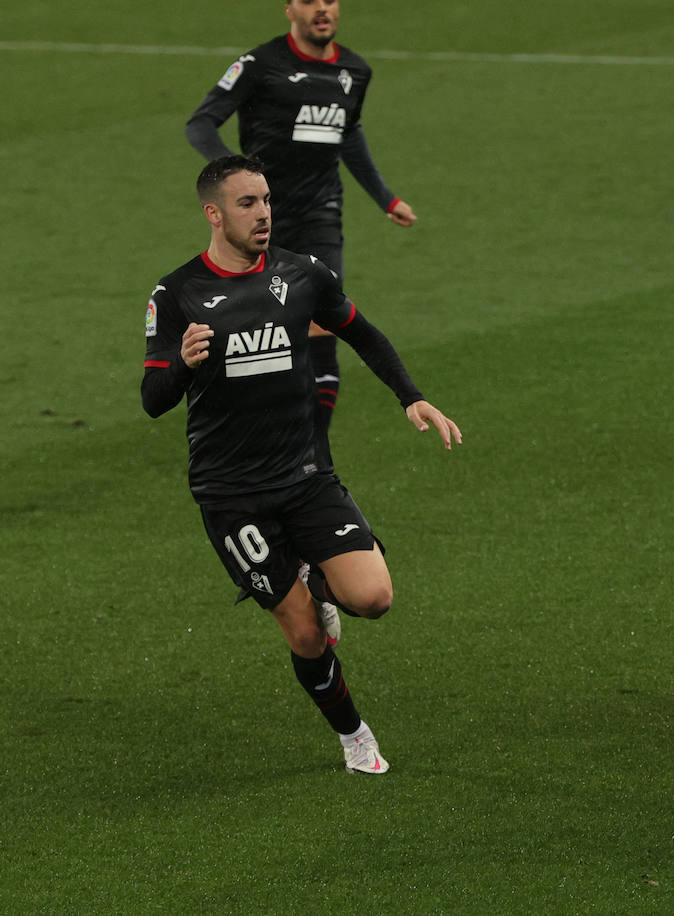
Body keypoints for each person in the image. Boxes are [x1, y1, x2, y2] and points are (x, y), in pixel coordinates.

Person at [141, 155, 459, 775]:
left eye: (265, 200)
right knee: (309, 636)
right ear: (213, 213)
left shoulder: (303, 274)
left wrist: (411, 395)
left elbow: (362, 332)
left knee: (373, 599)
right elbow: (154, 401)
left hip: (305, 476)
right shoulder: (176, 293)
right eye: (246, 204)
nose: (263, 214)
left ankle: (318, 576)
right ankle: (354, 735)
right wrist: (182, 362)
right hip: (231, 494)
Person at [186, 0, 418, 473]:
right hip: (263, 215)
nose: (323, 10)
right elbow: (201, 122)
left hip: (320, 214)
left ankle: (313, 455)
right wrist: (234, 178)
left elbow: (348, 134)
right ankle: (251, 432)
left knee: (322, 321)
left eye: (330, 1)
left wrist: (385, 198)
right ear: (289, 8)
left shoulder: (355, 70)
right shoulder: (259, 65)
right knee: (264, 330)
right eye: (311, 1)